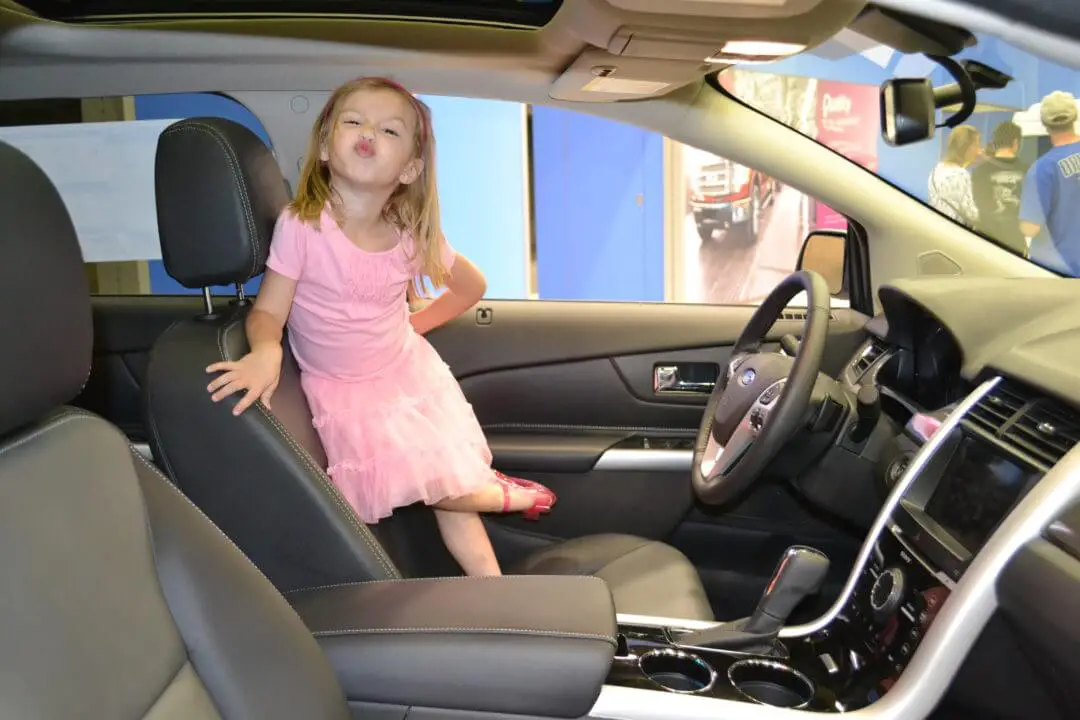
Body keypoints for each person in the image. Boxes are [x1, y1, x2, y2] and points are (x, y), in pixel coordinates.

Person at [203, 77, 555, 577]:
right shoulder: (304, 226)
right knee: (427, 480)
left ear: (411, 167)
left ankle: (493, 587)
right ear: (326, 147)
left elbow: (469, 286)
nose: (368, 131)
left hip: (403, 372)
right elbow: (269, 312)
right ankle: (498, 495)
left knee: (440, 479)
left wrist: (414, 326)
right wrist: (266, 352)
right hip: (346, 390)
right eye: (353, 121)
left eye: (390, 130)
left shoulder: (410, 234)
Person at [1019, 90, 1080, 274]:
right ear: (1074, 118)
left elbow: (1030, 228)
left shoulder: (1042, 169)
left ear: (1045, 124)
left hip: (1060, 270)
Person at [971, 120, 1029, 255]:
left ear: (996, 143)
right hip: (1016, 242)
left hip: (986, 240)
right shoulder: (1028, 170)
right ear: (1016, 143)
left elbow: (978, 205)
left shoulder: (980, 171)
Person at [928, 124, 981, 228]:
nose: (978, 150)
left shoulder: (936, 169)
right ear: (965, 146)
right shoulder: (960, 174)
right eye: (976, 145)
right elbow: (970, 213)